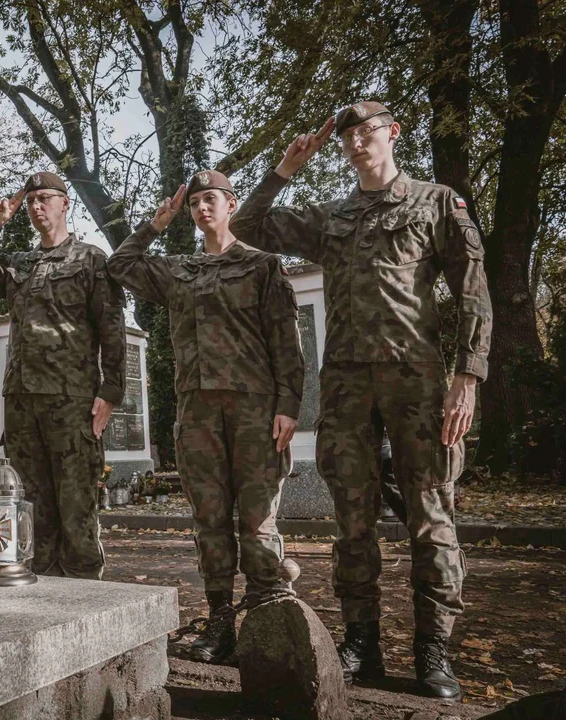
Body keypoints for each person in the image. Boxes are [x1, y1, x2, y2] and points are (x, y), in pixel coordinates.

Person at [231, 101, 493, 699]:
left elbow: (474, 289)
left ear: (393, 133)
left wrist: (468, 375)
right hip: (348, 387)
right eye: (347, 135)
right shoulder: (333, 217)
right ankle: (362, 643)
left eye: (368, 130)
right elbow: (247, 228)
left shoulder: (435, 201)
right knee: (351, 522)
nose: (356, 142)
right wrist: (284, 171)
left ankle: (433, 650)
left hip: (418, 383)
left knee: (431, 517)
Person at [108, 169, 304, 663]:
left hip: (255, 408)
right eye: (194, 203)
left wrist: (288, 406)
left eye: (210, 199)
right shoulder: (181, 270)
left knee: (258, 520)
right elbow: (121, 265)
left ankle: (266, 616)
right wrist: (155, 224)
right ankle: (220, 621)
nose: (201, 208)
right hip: (197, 411)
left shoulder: (262, 266)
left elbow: (286, 340)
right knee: (209, 520)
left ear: (232, 203)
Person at [0, 171, 126, 579]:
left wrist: (111, 390)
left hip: (73, 401)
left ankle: (86, 600)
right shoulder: (18, 264)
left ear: (66, 204)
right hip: (23, 401)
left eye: (45, 198)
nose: (36, 206)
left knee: (77, 509)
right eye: (31, 200)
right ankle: (45, 596)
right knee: (30, 509)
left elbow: (111, 327)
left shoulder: (90, 259)